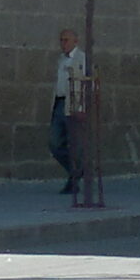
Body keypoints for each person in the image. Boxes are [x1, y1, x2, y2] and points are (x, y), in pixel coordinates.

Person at [49, 27, 86, 195]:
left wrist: (81, 107)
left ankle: (74, 178)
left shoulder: (82, 59)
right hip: (59, 103)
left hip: (73, 105)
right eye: (61, 40)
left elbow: (86, 85)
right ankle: (76, 171)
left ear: (75, 42)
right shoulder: (61, 60)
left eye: (66, 40)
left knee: (74, 144)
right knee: (55, 143)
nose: (63, 44)